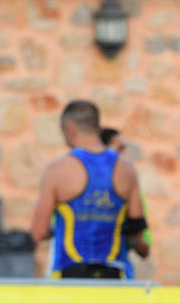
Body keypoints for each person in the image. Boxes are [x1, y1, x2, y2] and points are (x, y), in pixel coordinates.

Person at [31, 101, 146, 278]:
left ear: (69, 129)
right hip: (114, 276)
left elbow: (38, 232)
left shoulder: (57, 170)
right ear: (97, 126)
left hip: (70, 276)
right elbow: (137, 231)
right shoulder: (127, 169)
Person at [99, 126, 152, 278]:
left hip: (119, 275)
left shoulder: (134, 194)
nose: (127, 155)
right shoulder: (77, 190)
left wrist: (132, 236)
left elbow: (144, 249)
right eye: (120, 149)